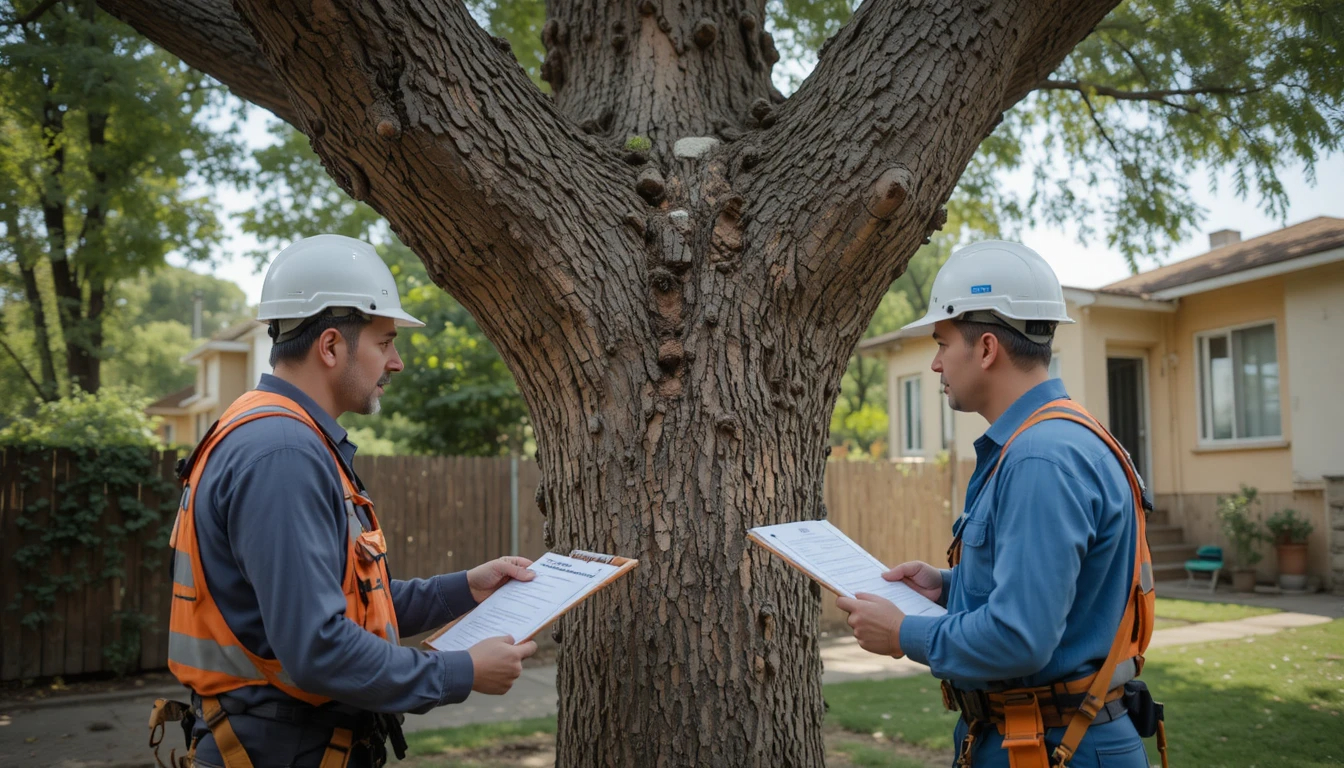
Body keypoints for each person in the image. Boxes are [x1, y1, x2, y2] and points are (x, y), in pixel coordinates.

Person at [149, 234, 537, 768]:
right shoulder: (283, 453)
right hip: (279, 752)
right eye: (385, 342)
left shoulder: (279, 437)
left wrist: (465, 588)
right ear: (330, 346)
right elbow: (319, 648)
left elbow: (347, 607)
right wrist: (461, 672)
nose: (396, 362)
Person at [834, 241, 1163, 768]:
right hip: (1042, 738)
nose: (937, 363)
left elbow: (1019, 638)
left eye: (942, 342)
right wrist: (947, 588)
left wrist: (902, 632)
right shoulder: (1054, 440)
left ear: (987, 349)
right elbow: (1053, 595)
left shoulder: (1040, 458)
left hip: (1054, 747)